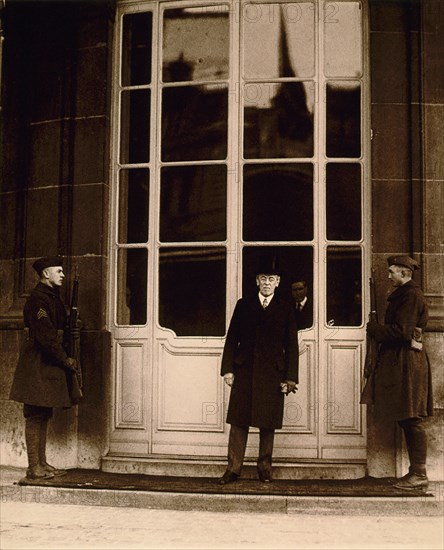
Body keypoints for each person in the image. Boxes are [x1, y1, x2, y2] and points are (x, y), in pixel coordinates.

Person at [219, 255, 299, 484]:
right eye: (263, 278)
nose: (266, 282)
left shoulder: (285, 308)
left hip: (272, 374)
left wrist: (290, 377)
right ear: (257, 281)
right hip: (244, 371)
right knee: (239, 422)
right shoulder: (244, 305)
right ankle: (233, 469)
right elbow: (232, 338)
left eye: (271, 278)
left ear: (278, 282)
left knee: (267, 423)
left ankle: (264, 469)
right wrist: (228, 369)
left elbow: (291, 345)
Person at [9, 257, 81, 480]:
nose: (62, 275)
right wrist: (65, 359)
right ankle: (34, 468)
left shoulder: (52, 298)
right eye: (58, 271)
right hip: (37, 365)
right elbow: (46, 336)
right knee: (35, 415)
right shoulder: (38, 301)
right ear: (45, 274)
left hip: (45, 364)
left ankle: (41, 463)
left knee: (44, 413)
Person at [366, 255, 433, 490]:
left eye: (392, 272)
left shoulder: (411, 295)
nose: (388, 276)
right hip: (402, 361)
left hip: (408, 363)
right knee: (407, 417)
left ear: (404, 273)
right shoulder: (405, 294)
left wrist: (376, 330)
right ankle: (415, 472)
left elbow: (402, 331)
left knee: (412, 417)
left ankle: (420, 474)